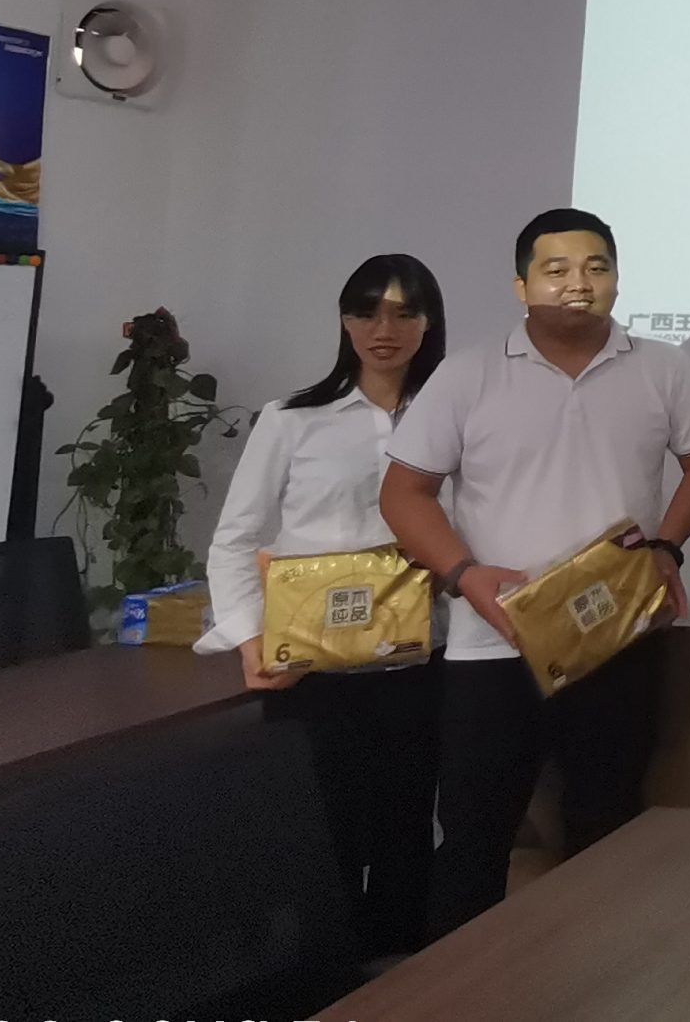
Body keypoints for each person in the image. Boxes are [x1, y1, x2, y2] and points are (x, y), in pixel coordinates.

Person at [379, 208, 690, 939]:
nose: (578, 283)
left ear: (617, 279)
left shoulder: (663, 368)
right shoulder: (469, 373)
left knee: (607, 833)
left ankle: (591, 985)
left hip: (615, 640)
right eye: (556, 269)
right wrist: (464, 574)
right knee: (475, 839)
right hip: (493, 646)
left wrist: (667, 546)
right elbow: (403, 493)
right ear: (521, 285)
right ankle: (459, 987)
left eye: (596, 267)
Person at [199, 254, 447, 958]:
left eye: (403, 313)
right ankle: (319, 973)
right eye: (365, 312)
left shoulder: (452, 421)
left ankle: (402, 972)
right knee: (315, 824)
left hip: (418, 658)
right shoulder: (292, 419)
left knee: (406, 821)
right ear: (344, 321)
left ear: (430, 322)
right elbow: (234, 539)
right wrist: (250, 639)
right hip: (311, 663)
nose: (383, 329)